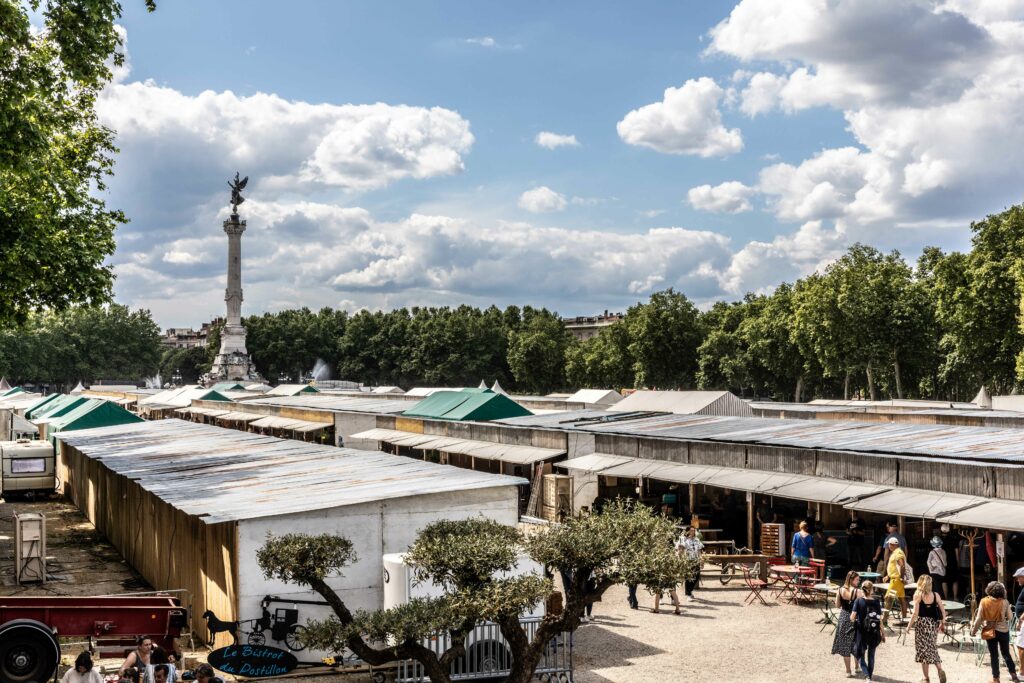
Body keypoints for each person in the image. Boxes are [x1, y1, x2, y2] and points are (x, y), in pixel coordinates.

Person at [971, 581, 1020, 683]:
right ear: (1001, 591)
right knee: (1006, 653)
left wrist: (973, 631)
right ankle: (1014, 675)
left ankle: (996, 679)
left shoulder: (984, 601)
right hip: (1004, 631)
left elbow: (979, 619)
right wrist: (1007, 610)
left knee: (994, 655)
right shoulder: (1005, 602)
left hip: (990, 631)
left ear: (989, 590)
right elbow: (1011, 617)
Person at [908, 574, 947, 683]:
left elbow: (915, 614)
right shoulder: (936, 595)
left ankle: (926, 678)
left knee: (922, 651)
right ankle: (939, 669)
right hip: (932, 624)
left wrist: (908, 626)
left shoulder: (918, 595)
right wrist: (943, 621)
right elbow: (943, 611)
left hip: (922, 624)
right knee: (932, 647)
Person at [851, 580, 886, 683]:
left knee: (860, 654)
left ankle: (866, 676)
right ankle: (869, 676)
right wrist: (883, 633)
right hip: (874, 632)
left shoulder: (858, 601)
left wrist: (856, 618)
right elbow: (880, 620)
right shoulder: (876, 602)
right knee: (871, 655)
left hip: (862, 632)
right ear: (871, 590)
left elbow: (852, 617)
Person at [831, 570, 863, 677]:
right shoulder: (858, 591)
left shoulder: (840, 590)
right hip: (855, 617)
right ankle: (857, 667)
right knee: (856, 643)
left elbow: (837, 605)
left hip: (844, 617)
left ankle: (848, 671)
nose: (858, 581)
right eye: (857, 579)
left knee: (845, 644)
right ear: (851, 580)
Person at [886, 537, 908, 619]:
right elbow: (895, 567)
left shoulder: (898, 553)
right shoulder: (896, 552)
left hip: (896, 580)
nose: (888, 546)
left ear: (892, 545)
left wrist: (901, 578)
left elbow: (902, 565)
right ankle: (904, 618)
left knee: (889, 598)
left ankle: (884, 620)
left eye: (889, 544)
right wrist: (888, 576)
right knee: (902, 599)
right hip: (896, 579)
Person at [679, 525, 703, 599]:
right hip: (687, 560)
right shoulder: (683, 539)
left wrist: (701, 559)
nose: (693, 532)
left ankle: (690, 590)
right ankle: (688, 593)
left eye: (694, 530)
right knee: (688, 577)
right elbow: (680, 550)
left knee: (697, 576)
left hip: (695, 560)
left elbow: (699, 550)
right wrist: (681, 559)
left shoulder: (696, 539)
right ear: (688, 531)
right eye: (691, 530)